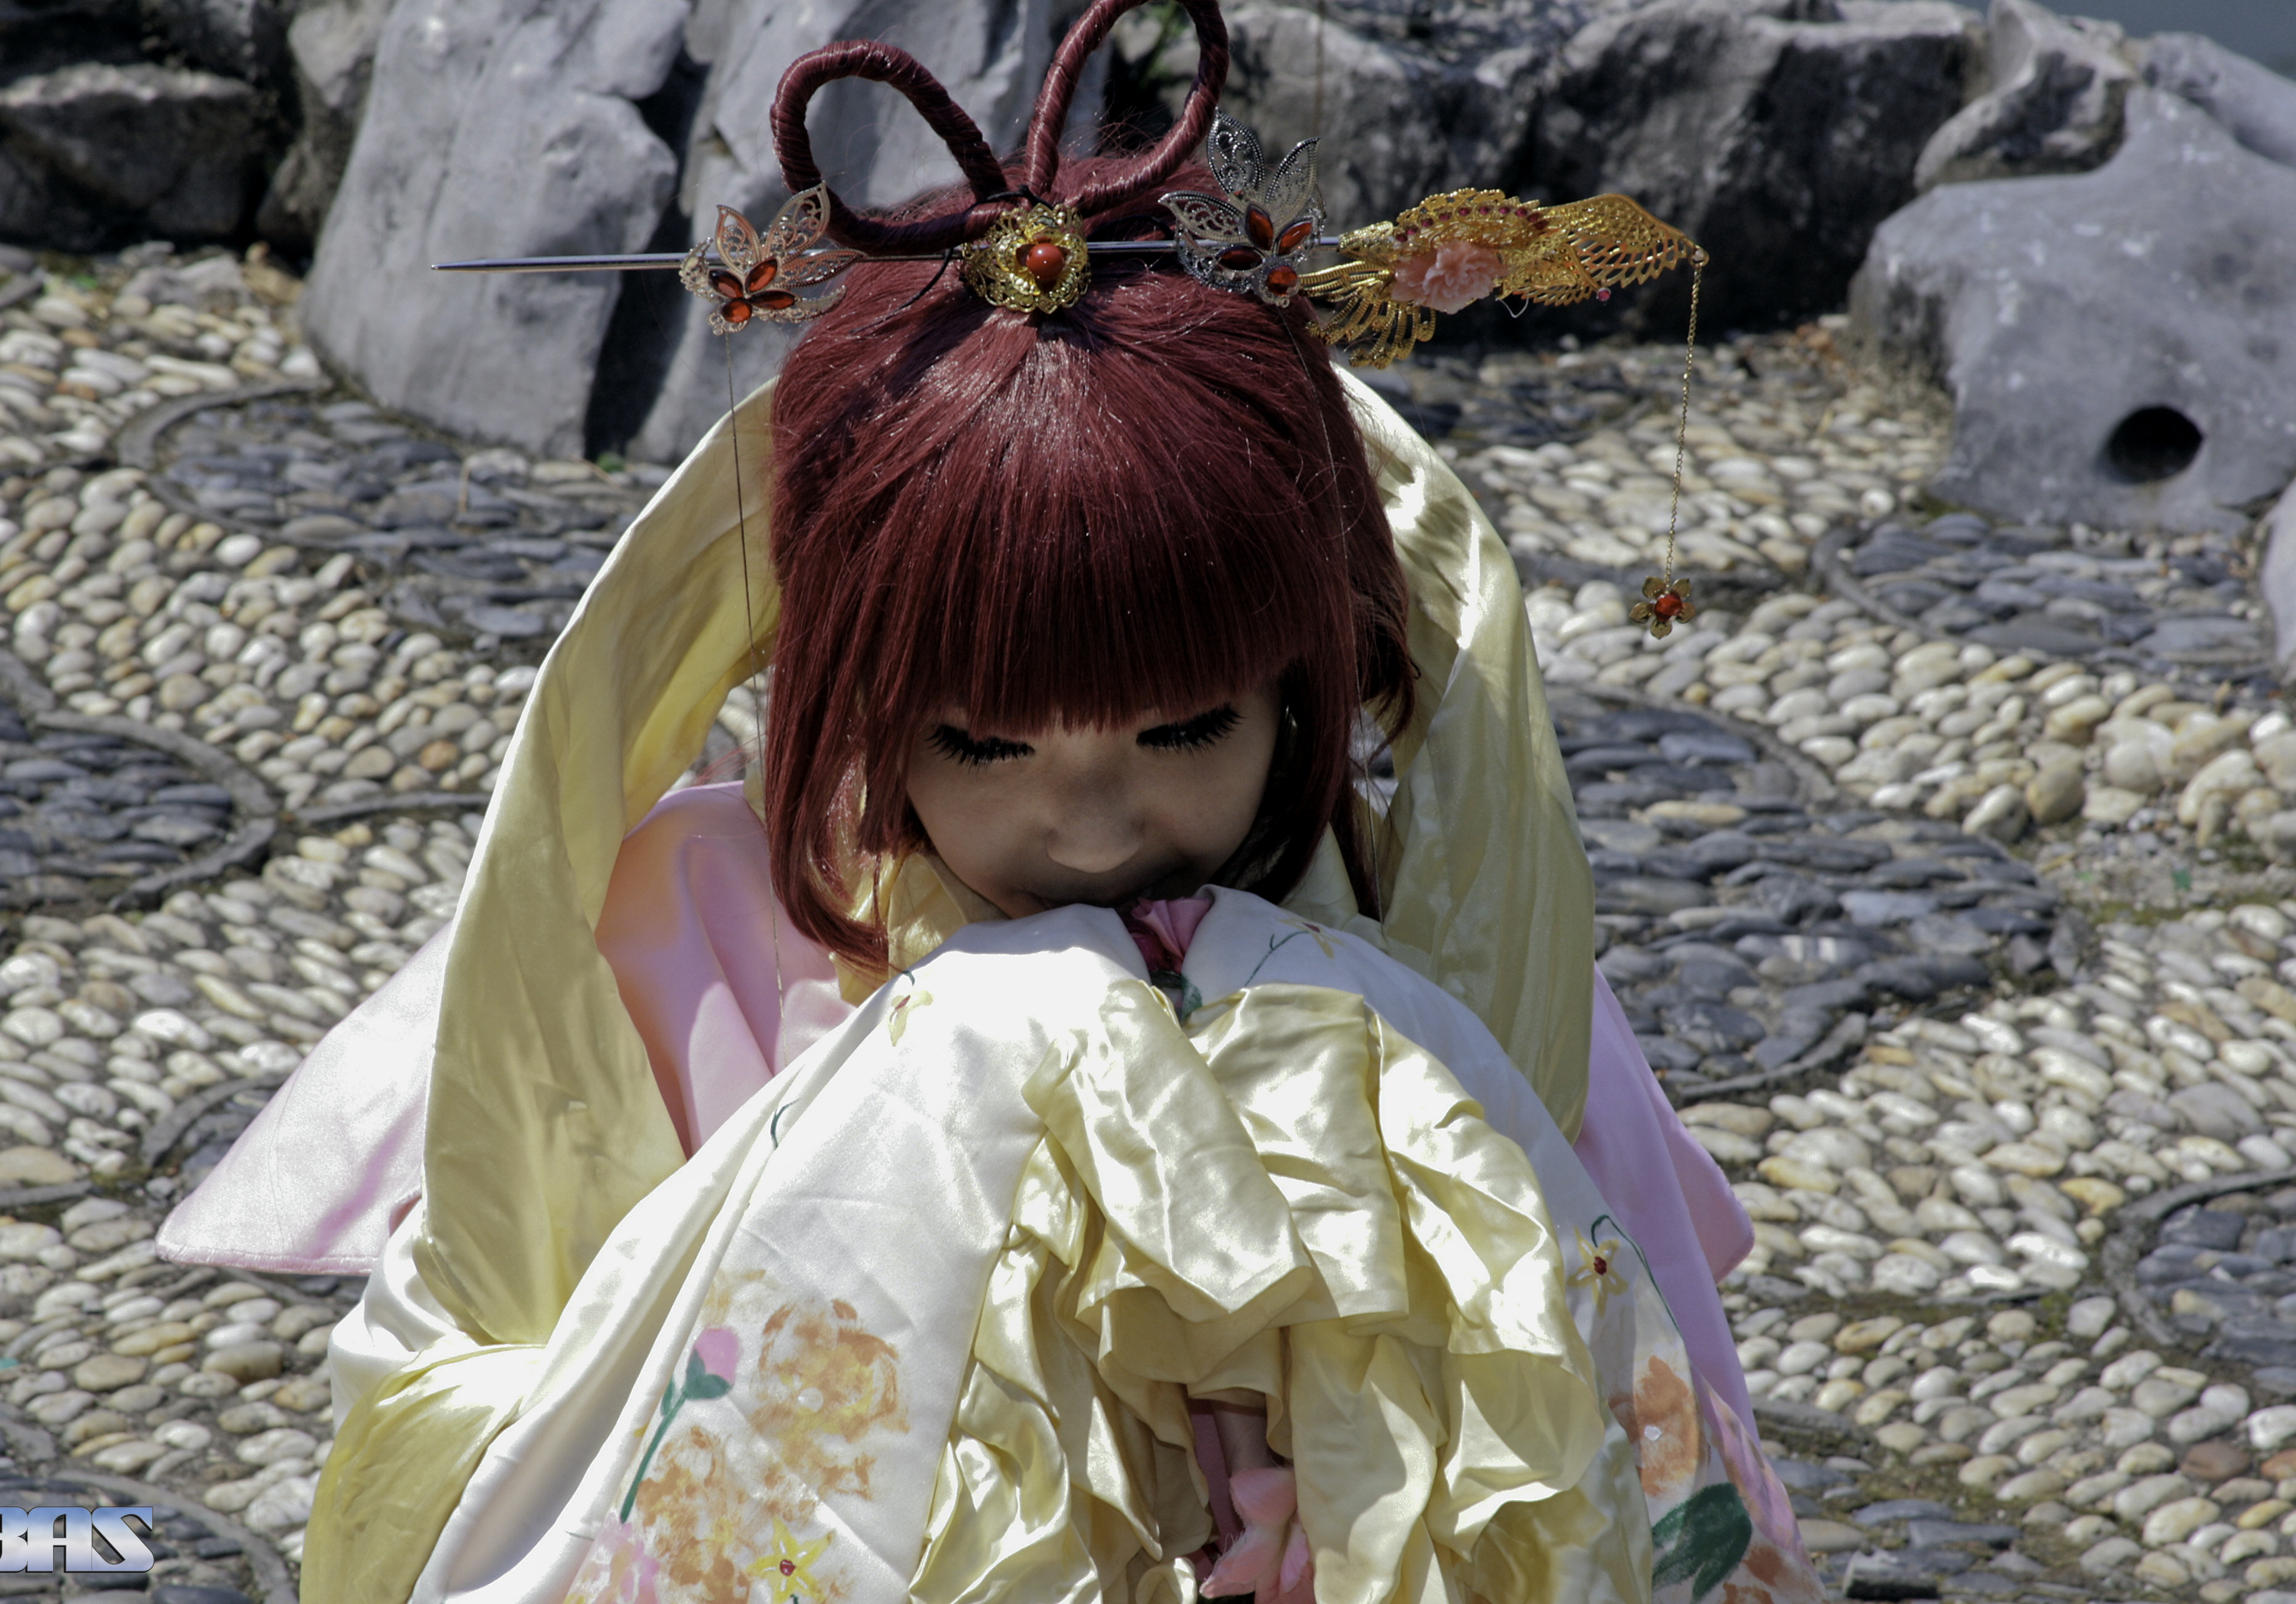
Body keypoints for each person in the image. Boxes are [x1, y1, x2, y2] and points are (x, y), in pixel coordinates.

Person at [159, 3, 1820, 1600]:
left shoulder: (1430, 942)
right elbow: (529, 1388)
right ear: (857, 696)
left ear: (1304, 680)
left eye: (1186, 727)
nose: (1094, 830)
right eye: (985, 746)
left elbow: (1640, 1401)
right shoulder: (688, 927)